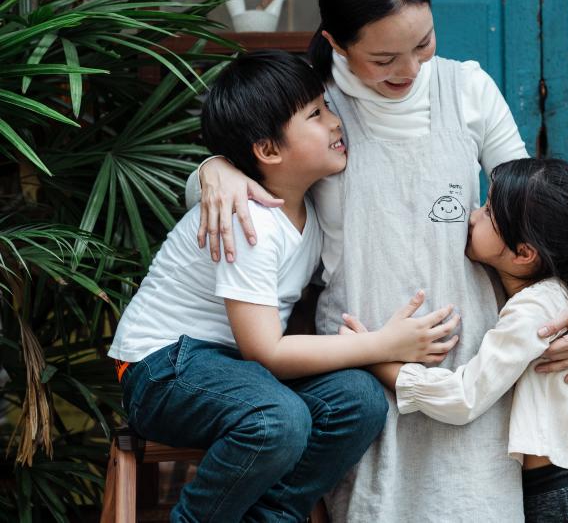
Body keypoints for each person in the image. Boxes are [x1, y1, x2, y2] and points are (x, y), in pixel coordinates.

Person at [188, 0, 568, 521]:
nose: (410, 71)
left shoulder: (467, 91)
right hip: (365, 375)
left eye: (423, 44)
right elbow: (237, 193)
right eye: (384, 58)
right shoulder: (316, 113)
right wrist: (212, 170)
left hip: (471, 376)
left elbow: (537, 216)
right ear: (337, 43)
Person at [108, 51, 460, 522]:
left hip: (232, 370)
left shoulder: (307, 211)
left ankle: (270, 516)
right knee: (278, 419)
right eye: (316, 114)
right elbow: (266, 351)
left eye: (327, 107)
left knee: (358, 399)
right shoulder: (249, 219)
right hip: (161, 368)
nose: (336, 122)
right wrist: (382, 344)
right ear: (269, 151)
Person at [347, 158, 568, 522]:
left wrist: (374, 356)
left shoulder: (534, 310)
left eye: (487, 212)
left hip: (564, 500)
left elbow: (464, 397)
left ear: (523, 254)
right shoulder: (555, 296)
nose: (471, 216)